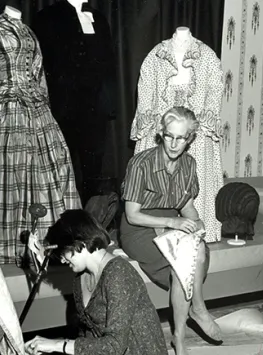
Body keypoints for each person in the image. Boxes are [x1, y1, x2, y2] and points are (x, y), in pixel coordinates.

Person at [120, 107, 223, 355]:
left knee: (196, 251)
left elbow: (186, 206)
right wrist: (174, 223)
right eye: (169, 136)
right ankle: (198, 308)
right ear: (161, 133)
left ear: (190, 139)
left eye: (181, 138)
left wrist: (196, 223)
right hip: (139, 228)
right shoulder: (140, 163)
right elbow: (133, 215)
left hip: (169, 222)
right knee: (183, 261)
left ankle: (179, 338)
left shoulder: (189, 164)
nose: (174, 144)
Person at [0, 0, 81, 265]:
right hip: (9, 109)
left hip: (37, 110)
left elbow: (38, 77)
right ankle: (13, 244)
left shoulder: (28, 30)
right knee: (14, 173)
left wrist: (43, 104)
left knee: (49, 168)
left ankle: (50, 241)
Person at [25, 209, 168, 355]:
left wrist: (57, 344)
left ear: (80, 243)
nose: (62, 259)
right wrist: (40, 251)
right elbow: (88, 333)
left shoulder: (118, 274)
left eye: (64, 253)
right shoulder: (81, 275)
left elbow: (114, 346)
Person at [130, 26, 224, 243]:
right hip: (165, 128)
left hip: (192, 132)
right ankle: (156, 229)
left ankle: (199, 230)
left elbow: (214, 92)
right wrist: (151, 123)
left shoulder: (207, 55)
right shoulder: (155, 55)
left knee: (193, 174)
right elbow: (145, 95)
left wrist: (202, 122)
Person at [33, 0, 116, 203]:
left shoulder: (99, 19)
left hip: (94, 112)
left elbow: (108, 66)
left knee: (93, 172)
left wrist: (108, 106)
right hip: (62, 110)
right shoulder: (47, 17)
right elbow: (40, 66)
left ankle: (90, 222)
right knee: (61, 168)